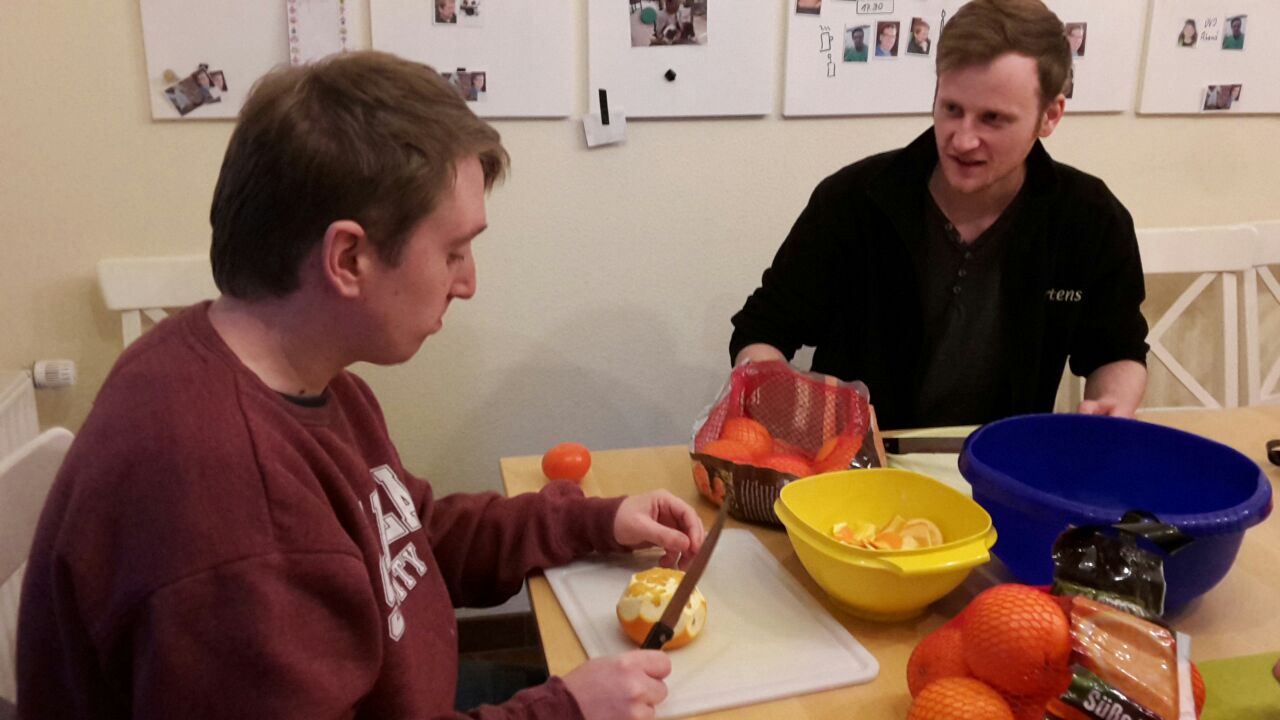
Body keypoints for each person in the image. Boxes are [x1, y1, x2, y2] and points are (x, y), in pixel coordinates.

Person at [17, 51, 706, 719]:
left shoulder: (284, 371)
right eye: (453, 251)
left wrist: (593, 522)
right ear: (347, 257)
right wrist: (564, 710)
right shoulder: (232, 510)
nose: (468, 282)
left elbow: (408, 537)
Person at [729, 0, 1149, 430]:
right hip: (857, 458)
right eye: (951, 109)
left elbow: (1117, 350)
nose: (962, 140)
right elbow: (761, 331)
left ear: (1050, 116)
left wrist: (1111, 406)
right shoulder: (853, 200)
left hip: (1002, 460)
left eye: (992, 119)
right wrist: (771, 387)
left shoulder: (1090, 218)